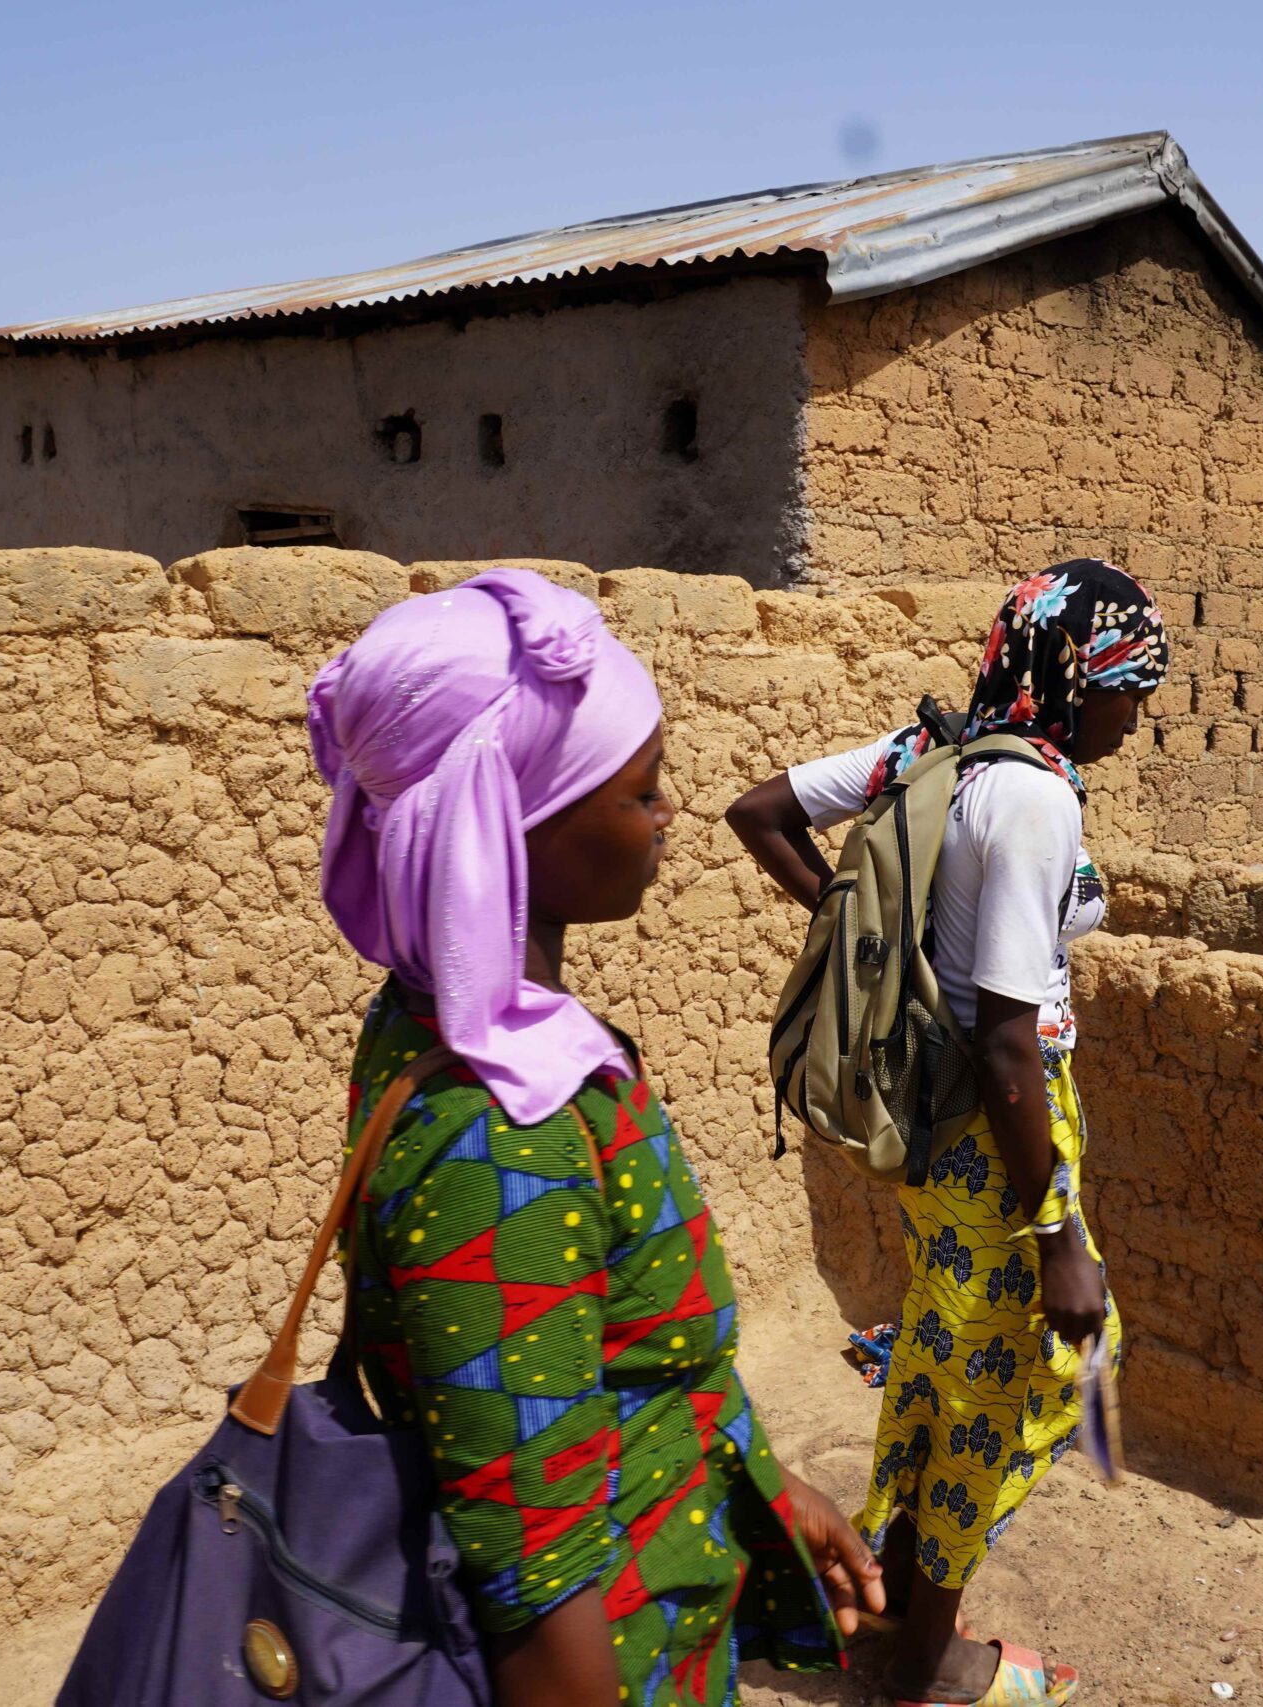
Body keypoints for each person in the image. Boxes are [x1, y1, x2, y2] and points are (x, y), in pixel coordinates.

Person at [311, 569, 883, 1707]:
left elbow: (623, 1357)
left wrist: (758, 1479)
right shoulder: (498, 1138)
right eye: (641, 791)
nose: (668, 813)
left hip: (670, 1588)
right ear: (514, 829)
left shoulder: (495, 1044)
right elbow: (538, 1574)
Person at [726, 560, 1169, 1707]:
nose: (1138, 712)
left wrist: (870, 949)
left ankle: (886, 1613)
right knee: (1013, 1389)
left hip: (935, 1130)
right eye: (1127, 686)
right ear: (1074, 680)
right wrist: (1059, 1229)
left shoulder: (929, 752)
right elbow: (1011, 1042)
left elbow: (760, 812)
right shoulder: (1031, 798)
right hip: (997, 1136)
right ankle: (917, 1671)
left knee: (941, 1362)